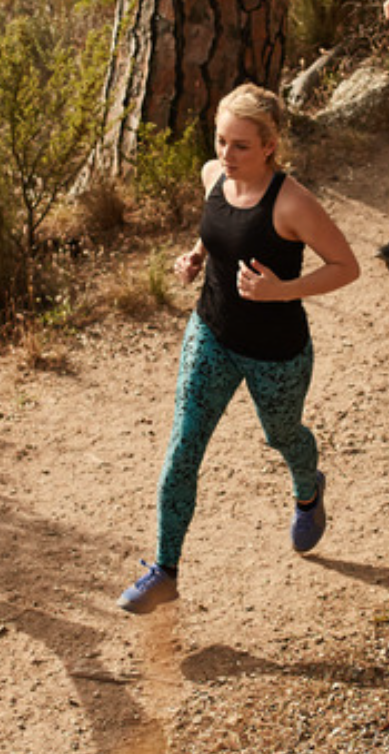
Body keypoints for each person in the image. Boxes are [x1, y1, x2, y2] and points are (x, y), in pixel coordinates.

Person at [119, 83, 360, 614]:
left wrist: (282, 290)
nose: (225, 155)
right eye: (221, 141)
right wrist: (196, 255)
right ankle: (164, 569)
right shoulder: (213, 176)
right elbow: (219, 229)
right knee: (184, 446)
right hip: (211, 334)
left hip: (276, 352)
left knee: (283, 436)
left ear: (269, 145)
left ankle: (308, 488)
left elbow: (348, 267)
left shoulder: (292, 203)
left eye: (240, 146)